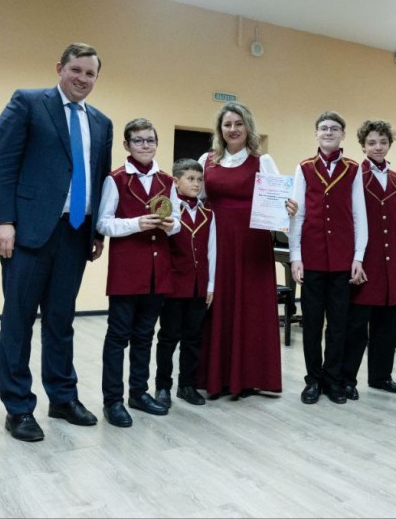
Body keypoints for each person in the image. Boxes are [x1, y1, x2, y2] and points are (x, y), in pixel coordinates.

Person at [0, 42, 113, 442]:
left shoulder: (102, 122)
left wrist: (96, 232)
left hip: (75, 233)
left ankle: (62, 397)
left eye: (90, 73)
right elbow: (2, 164)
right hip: (28, 232)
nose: (82, 79)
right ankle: (18, 408)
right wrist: (3, 221)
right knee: (19, 320)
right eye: (76, 70)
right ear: (60, 68)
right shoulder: (28, 103)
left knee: (61, 321)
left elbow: (100, 178)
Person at [197, 102, 292, 398]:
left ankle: (250, 377)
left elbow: (280, 202)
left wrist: (288, 208)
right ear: (220, 129)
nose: (233, 129)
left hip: (252, 244)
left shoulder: (263, 161)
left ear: (248, 127)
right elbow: (196, 199)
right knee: (216, 303)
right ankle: (215, 377)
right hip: (216, 241)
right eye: (227, 124)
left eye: (239, 123)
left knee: (251, 308)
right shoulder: (206, 160)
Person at [95, 118, 181, 427]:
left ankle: (138, 393)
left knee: (145, 335)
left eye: (150, 140)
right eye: (138, 140)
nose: (145, 145)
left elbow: (177, 222)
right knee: (118, 336)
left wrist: (170, 226)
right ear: (126, 145)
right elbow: (103, 223)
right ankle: (113, 400)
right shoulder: (115, 179)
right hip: (127, 271)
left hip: (158, 271)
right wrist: (136, 224)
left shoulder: (168, 181)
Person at [289, 111, 368, 405]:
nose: (329, 132)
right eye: (323, 128)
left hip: (342, 260)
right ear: (316, 134)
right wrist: (296, 256)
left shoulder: (353, 169)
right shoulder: (304, 167)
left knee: (338, 324)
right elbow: (297, 215)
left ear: (343, 134)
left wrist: (358, 257)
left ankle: (333, 379)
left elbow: (359, 215)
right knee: (311, 323)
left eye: (334, 128)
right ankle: (313, 380)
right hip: (311, 258)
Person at [341, 120, 396, 396]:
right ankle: (347, 379)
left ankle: (381, 376)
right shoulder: (355, 174)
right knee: (357, 325)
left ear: (390, 144)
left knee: (387, 324)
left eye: (383, 142)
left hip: (389, 261)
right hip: (365, 260)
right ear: (363, 146)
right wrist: (354, 259)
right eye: (371, 143)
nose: (378, 147)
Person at [154, 159, 216, 408]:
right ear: (176, 181)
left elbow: (212, 251)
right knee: (168, 337)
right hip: (173, 286)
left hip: (199, 286)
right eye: (190, 179)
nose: (196, 184)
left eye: (200, 179)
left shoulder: (208, 214)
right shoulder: (167, 211)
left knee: (193, 337)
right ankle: (162, 386)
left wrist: (211, 285)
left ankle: (187, 385)